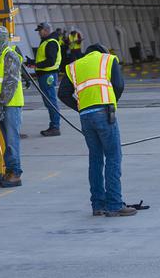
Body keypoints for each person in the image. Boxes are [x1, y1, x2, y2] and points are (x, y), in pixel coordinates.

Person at [60, 44, 136, 217]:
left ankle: (98, 205)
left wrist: (80, 108)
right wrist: (110, 102)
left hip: (86, 117)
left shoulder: (74, 66)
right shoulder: (108, 59)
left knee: (95, 159)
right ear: (103, 53)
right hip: (104, 113)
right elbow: (119, 85)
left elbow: (63, 94)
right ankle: (115, 205)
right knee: (113, 156)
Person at [0, 25, 24, 187]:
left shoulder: (9, 56)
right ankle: (9, 171)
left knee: (12, 140)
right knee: (6, 139)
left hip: (10, 105)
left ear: (2, 39)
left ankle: (15, 173)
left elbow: (10, 83)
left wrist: (0, 103)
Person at [29, 21, 63, 136]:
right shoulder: (46, 42)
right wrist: (33, 62)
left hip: (48, 75)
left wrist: (36, 65)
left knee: (51, 101)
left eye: (40, 31)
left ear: (47, 30)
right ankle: (54, 126)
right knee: (49, 101)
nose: (39, 33)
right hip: (45, 75)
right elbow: (45, 59)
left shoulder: (51, 43)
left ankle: (55, 127)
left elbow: (50, 61)